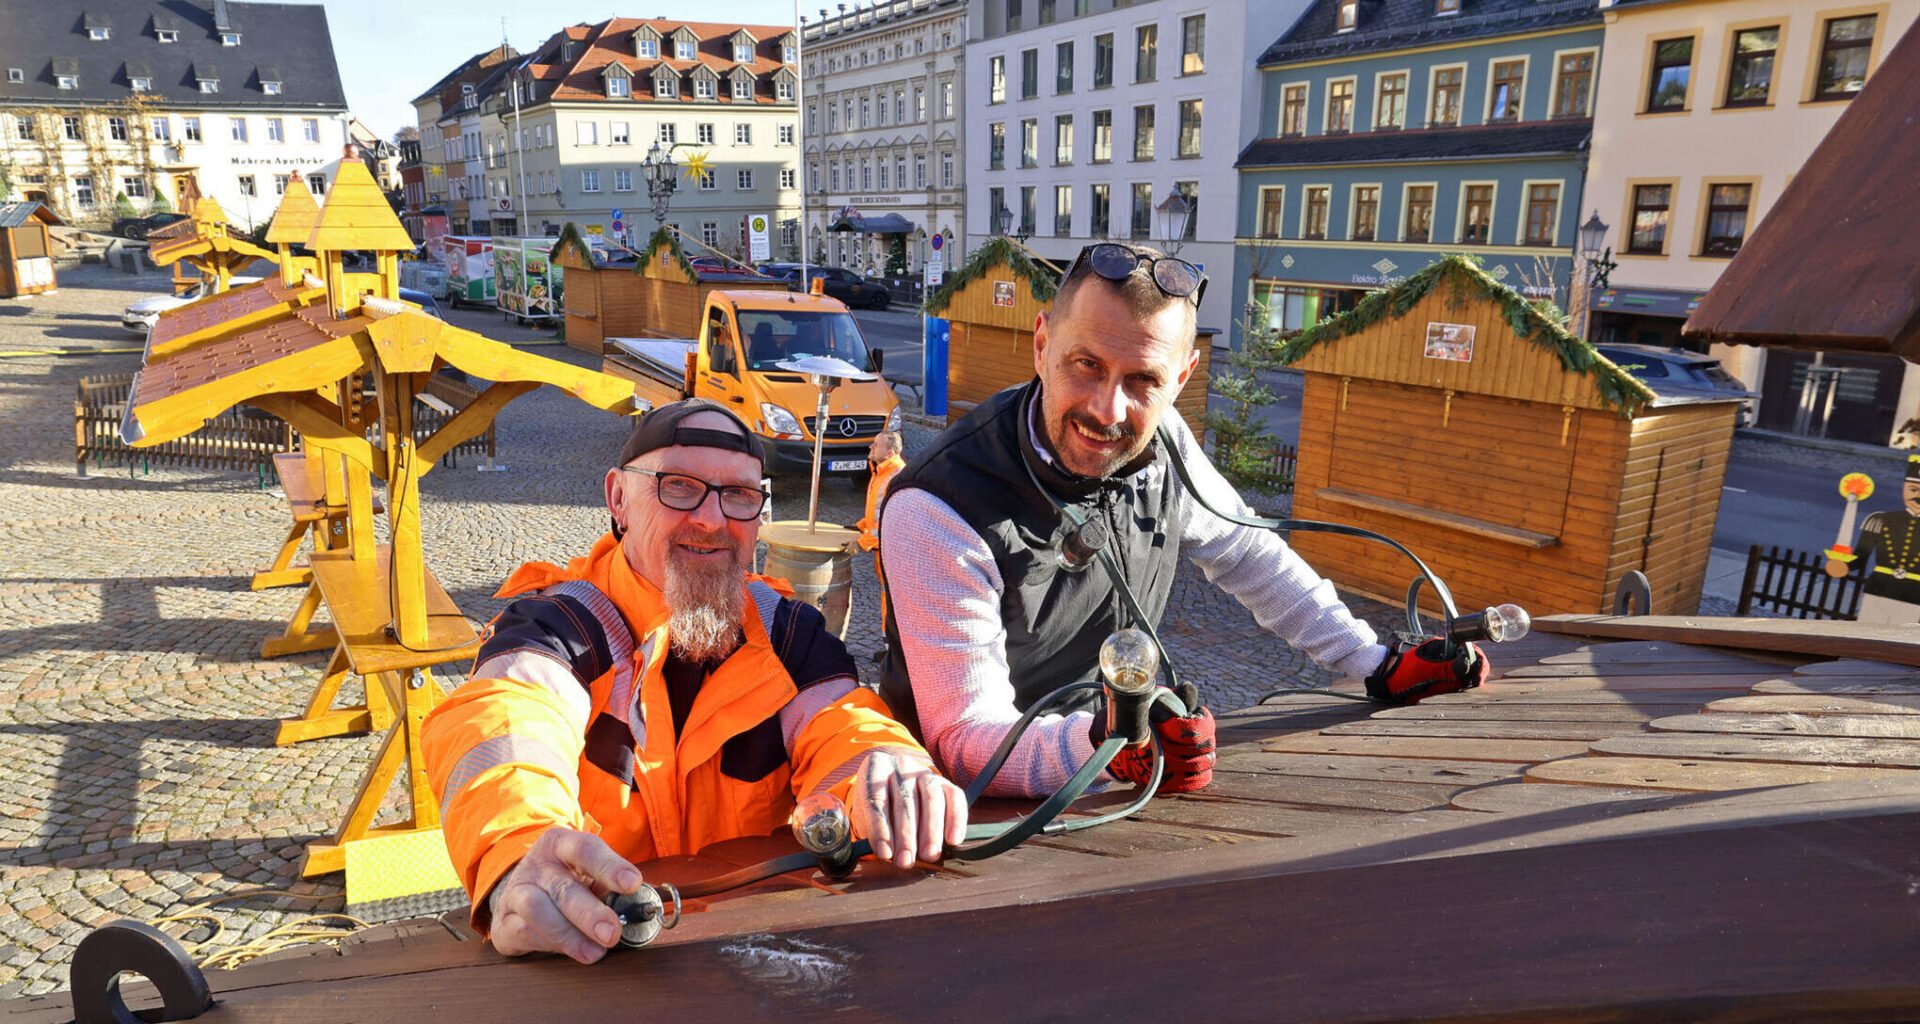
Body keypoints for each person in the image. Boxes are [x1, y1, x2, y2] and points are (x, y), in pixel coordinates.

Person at [876, 241, 1487, 799]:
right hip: (960, 818)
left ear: (1183, 377)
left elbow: (1247, 553)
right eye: (1086, 364)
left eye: (1143, 379)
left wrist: (1375, 663)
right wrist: (1110, 744)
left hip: (1108, 774)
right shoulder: (939, 505)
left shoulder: (1163, 440)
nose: (1107, 410)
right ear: (1041, 345)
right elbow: (964, 740)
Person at [423, 399, 968, 965]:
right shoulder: (558, 631)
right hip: (596, 958)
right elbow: (504, 725)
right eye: (679, 487)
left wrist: (889, 776)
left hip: (761, 955)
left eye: (739, 495)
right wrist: (521, 849)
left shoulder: (788, 636)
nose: (711, 519)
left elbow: (845, 729)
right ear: (617, 499)